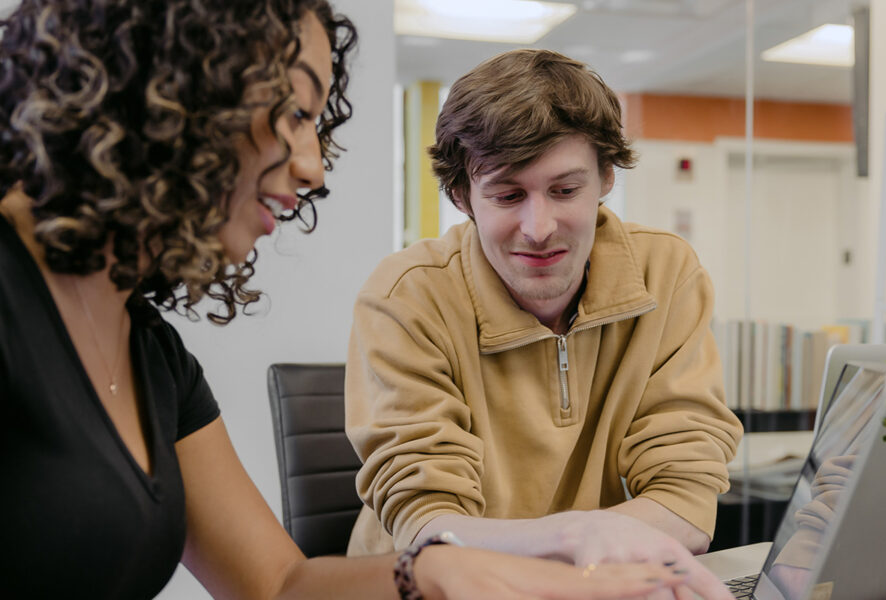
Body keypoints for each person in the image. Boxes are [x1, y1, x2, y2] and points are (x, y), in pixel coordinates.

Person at [0, 1, 694, 599]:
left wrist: (440, 571)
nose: (311, 164)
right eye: (294, 115)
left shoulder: (149, 353)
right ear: (168, 92)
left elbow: (278, 584)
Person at [344, 48, 744, 600]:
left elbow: (687, 494)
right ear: (462, 196)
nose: (539, 227)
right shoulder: (405, 296)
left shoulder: (666, 274)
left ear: (605, 178)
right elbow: (429, 528)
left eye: (564, 190)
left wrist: (594, 551)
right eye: (508, 195)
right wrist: (585, 536)